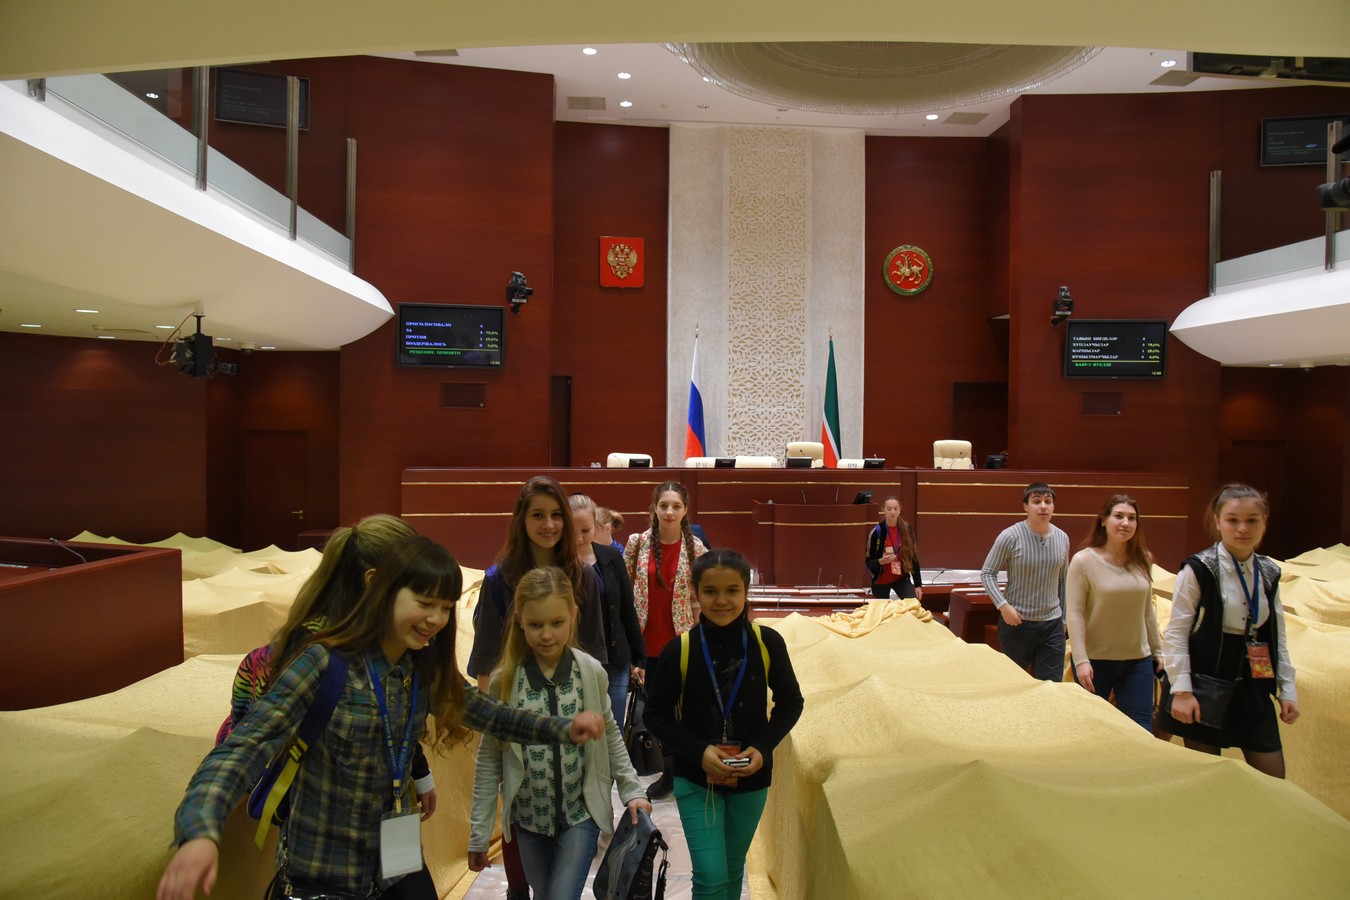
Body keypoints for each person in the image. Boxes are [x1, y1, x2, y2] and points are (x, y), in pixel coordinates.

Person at [157, 535, 605, 900]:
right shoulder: (323, 663)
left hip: (398, 858)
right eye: (424, 602)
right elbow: (242, 749)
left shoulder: (422, 666)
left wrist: (563, 728)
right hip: (323, 871)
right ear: (379, 588)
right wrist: (199, 832)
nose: (435, 619)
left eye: (445, 607)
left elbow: (490, 714)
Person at [215, 514, 440, 816]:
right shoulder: (310, 657)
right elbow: (246, 740)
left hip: (378, 806)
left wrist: (421, 774)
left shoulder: (393, 644)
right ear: (374, 583)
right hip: (315, 818)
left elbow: (397, 722)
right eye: (418, 593)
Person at [469, 567, 651, 900]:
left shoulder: (590, 673)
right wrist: (479, 833)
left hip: (581, 815)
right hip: (527, 820)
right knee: (545, 894)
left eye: (557, 623)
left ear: (573, 616)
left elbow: (610, 735)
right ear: (520, 622)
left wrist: (632, 789)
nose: (547, 635)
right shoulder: (504, 682)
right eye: (535, 625)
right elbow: (489, 760)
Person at [467, 475, 607, 900]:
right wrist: (496, 723)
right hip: (517, 721)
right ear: (521, 520)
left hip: (574, 713)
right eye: (537, 516)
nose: (548, 525)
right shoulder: (498, 579)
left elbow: (594, 652)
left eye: (556, 515)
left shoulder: (583, 575)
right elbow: (487, 662)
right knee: (523, 867)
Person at [644, 549, 804, 900]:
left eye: (732, 590)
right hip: (695, 777)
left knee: (731, 871)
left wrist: (763, 747)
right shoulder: (680, 650)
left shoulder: (767, 643)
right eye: (710, 591)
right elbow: (655, 714)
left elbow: (792, 702)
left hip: (751, 777)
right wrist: (699, 752)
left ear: (746, 591)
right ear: (695, 593)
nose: (721, 600)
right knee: (711, 875)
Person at [1159, 483, 1300, 777]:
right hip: (1204, 683)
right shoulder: (1198, 569)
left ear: (1264, 522)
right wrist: (1182, 691)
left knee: (1274, 778)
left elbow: (1278, 636)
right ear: (1218, 522)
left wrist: (1287, 690)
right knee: (1207, 779)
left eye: (1252, 520)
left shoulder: (1269, 571)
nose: (1242, 529)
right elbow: (1176, 633)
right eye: (1232, 520)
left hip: (1253, 684)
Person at [625, 480, 707, 799]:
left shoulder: (696, 548)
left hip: (680, 644)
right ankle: (670, 770)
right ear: (654, 509)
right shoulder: (637, 543)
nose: (669, 512)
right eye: (664, 506)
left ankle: (680, 772)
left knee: (682, 711)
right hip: (645, 644)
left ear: (685, 510)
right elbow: (625, 590)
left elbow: (700, 596)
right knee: (656, 713)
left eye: (676, 506)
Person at [1065, 494, 1163, 730]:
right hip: (1095, 661)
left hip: (1137, 660)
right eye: (1118, 516)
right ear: (1103, 520)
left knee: (1140, 730)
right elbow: (1075, 614)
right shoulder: (1083, 561)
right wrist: (1081, 661)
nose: (1125, 523)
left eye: (1132, 518)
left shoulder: (1144, 559)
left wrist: (1158, 651)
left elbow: (1147, 610)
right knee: (1090, 729)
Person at [569, 493, 646, 731]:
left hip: (615, 660)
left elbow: (626, 608)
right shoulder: (558, 564)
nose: (579, 538)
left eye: (585, 530)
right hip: (576, 662)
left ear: (595, 526)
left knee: (613, 730)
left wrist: (640, 658)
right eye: (572, 531)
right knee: (583, 732)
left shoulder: (612, 556)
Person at [980, 482, 1070, 681]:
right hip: (1017, 624)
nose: (1043, 506)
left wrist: (1064, 619)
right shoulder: (1010, 536)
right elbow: (987, 573)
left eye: (1048, 501)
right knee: (1015, 684)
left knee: (1052, 686)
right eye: (1036, 501)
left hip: (1052, 624)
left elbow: (1064, 581)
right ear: (1025, 507)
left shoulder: (1062, 538)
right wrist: (1003, 606)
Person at [864, 495, 924, 601]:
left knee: (912, 604)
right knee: (882, 610)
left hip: (900, 577)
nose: (892, 512)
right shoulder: (877, 532)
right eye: (889, 509)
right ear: (883, 510)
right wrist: (881, 561)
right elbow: (869, 563)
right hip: (880, 581)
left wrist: (918, 585)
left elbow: (913, 558)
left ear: (900, 510)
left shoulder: (907, 529)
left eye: (895, 509)